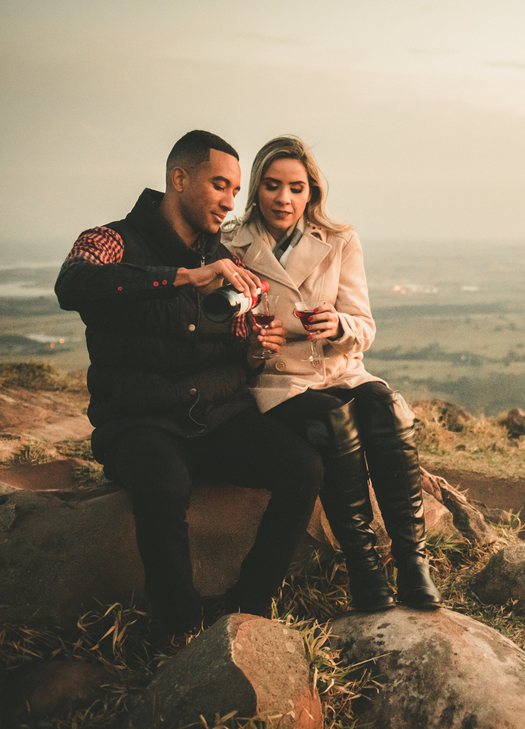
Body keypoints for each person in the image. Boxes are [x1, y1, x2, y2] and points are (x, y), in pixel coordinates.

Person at [55, 130, 323, 642]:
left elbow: (240, 355)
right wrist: (181, 277)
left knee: (304, 467)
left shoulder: (229, 261)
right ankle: (178, 631)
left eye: (234, 187)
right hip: (139, 421)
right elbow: (73, 285)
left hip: (218, 420)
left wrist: (255, 348)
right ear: (179, 179)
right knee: (164, 487)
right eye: (219, 184)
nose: (230, 200)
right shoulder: (108, 240)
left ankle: (248, 608)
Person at [223, 134, 441, 611]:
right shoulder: (229, 246)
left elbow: (364, 326)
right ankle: (364, 569)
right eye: (273, 186)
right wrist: (253, 345)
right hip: (277, 381)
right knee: (332, 419)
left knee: (386, 407)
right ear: (256, 189)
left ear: (312, 192)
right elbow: (217, 334)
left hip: (339, 369)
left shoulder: (340, 240)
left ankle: (412, 564)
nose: (284, 198)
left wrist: (337, 325)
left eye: (296, 188)